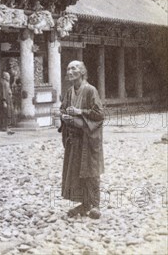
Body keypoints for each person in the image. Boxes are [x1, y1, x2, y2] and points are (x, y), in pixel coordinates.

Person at [58, 60, 104, 219]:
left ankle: (96, 205)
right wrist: (63, 115)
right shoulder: (69, 92)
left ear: (82, 71)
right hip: (74, 138)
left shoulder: (91, 90)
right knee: (77, 171)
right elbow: (63, 109)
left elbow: (99, 114)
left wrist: (79, 111)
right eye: (68, 68)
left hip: (88, 137)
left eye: (74, 68)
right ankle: (84, 204)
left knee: (90, 170)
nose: (70, 71)